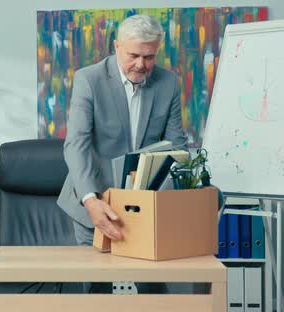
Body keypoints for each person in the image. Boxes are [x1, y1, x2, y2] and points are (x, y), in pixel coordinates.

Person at [57, 14, 187, 292]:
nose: (141, 64)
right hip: (94, 199)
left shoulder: (168, 83)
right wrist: (91, 201)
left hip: (145, 205)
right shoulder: (89, 79)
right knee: (95, 291)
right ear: (116, 46)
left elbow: (176, 144)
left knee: (154, 293)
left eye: (149, 57)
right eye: (134, 55)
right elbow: (76, 144)